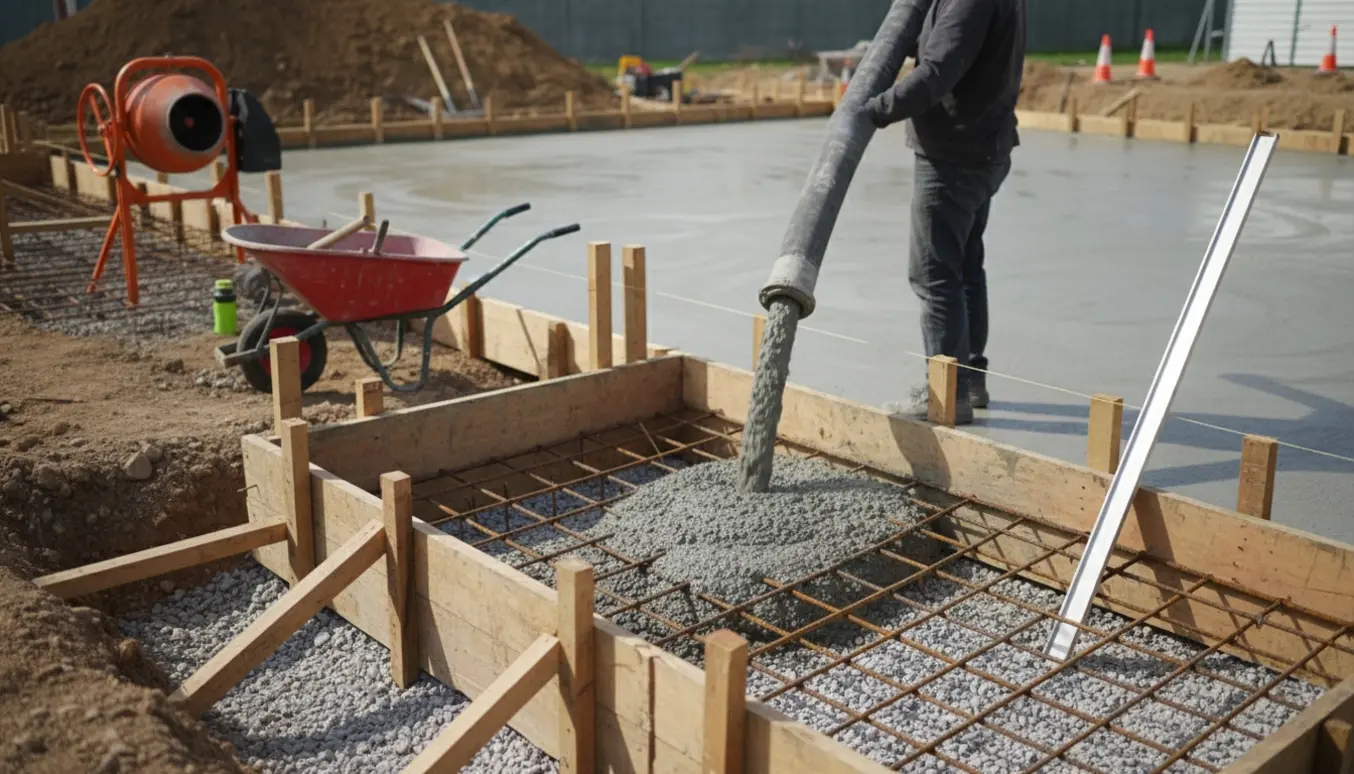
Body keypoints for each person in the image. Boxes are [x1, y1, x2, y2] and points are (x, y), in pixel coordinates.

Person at [865, 0, 1027, 425]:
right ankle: (970, 382)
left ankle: (947, 394)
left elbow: (937, 71)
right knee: (966, 267)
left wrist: (872, 109)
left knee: (934, 274)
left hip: (955, 158)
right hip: (982, 148)